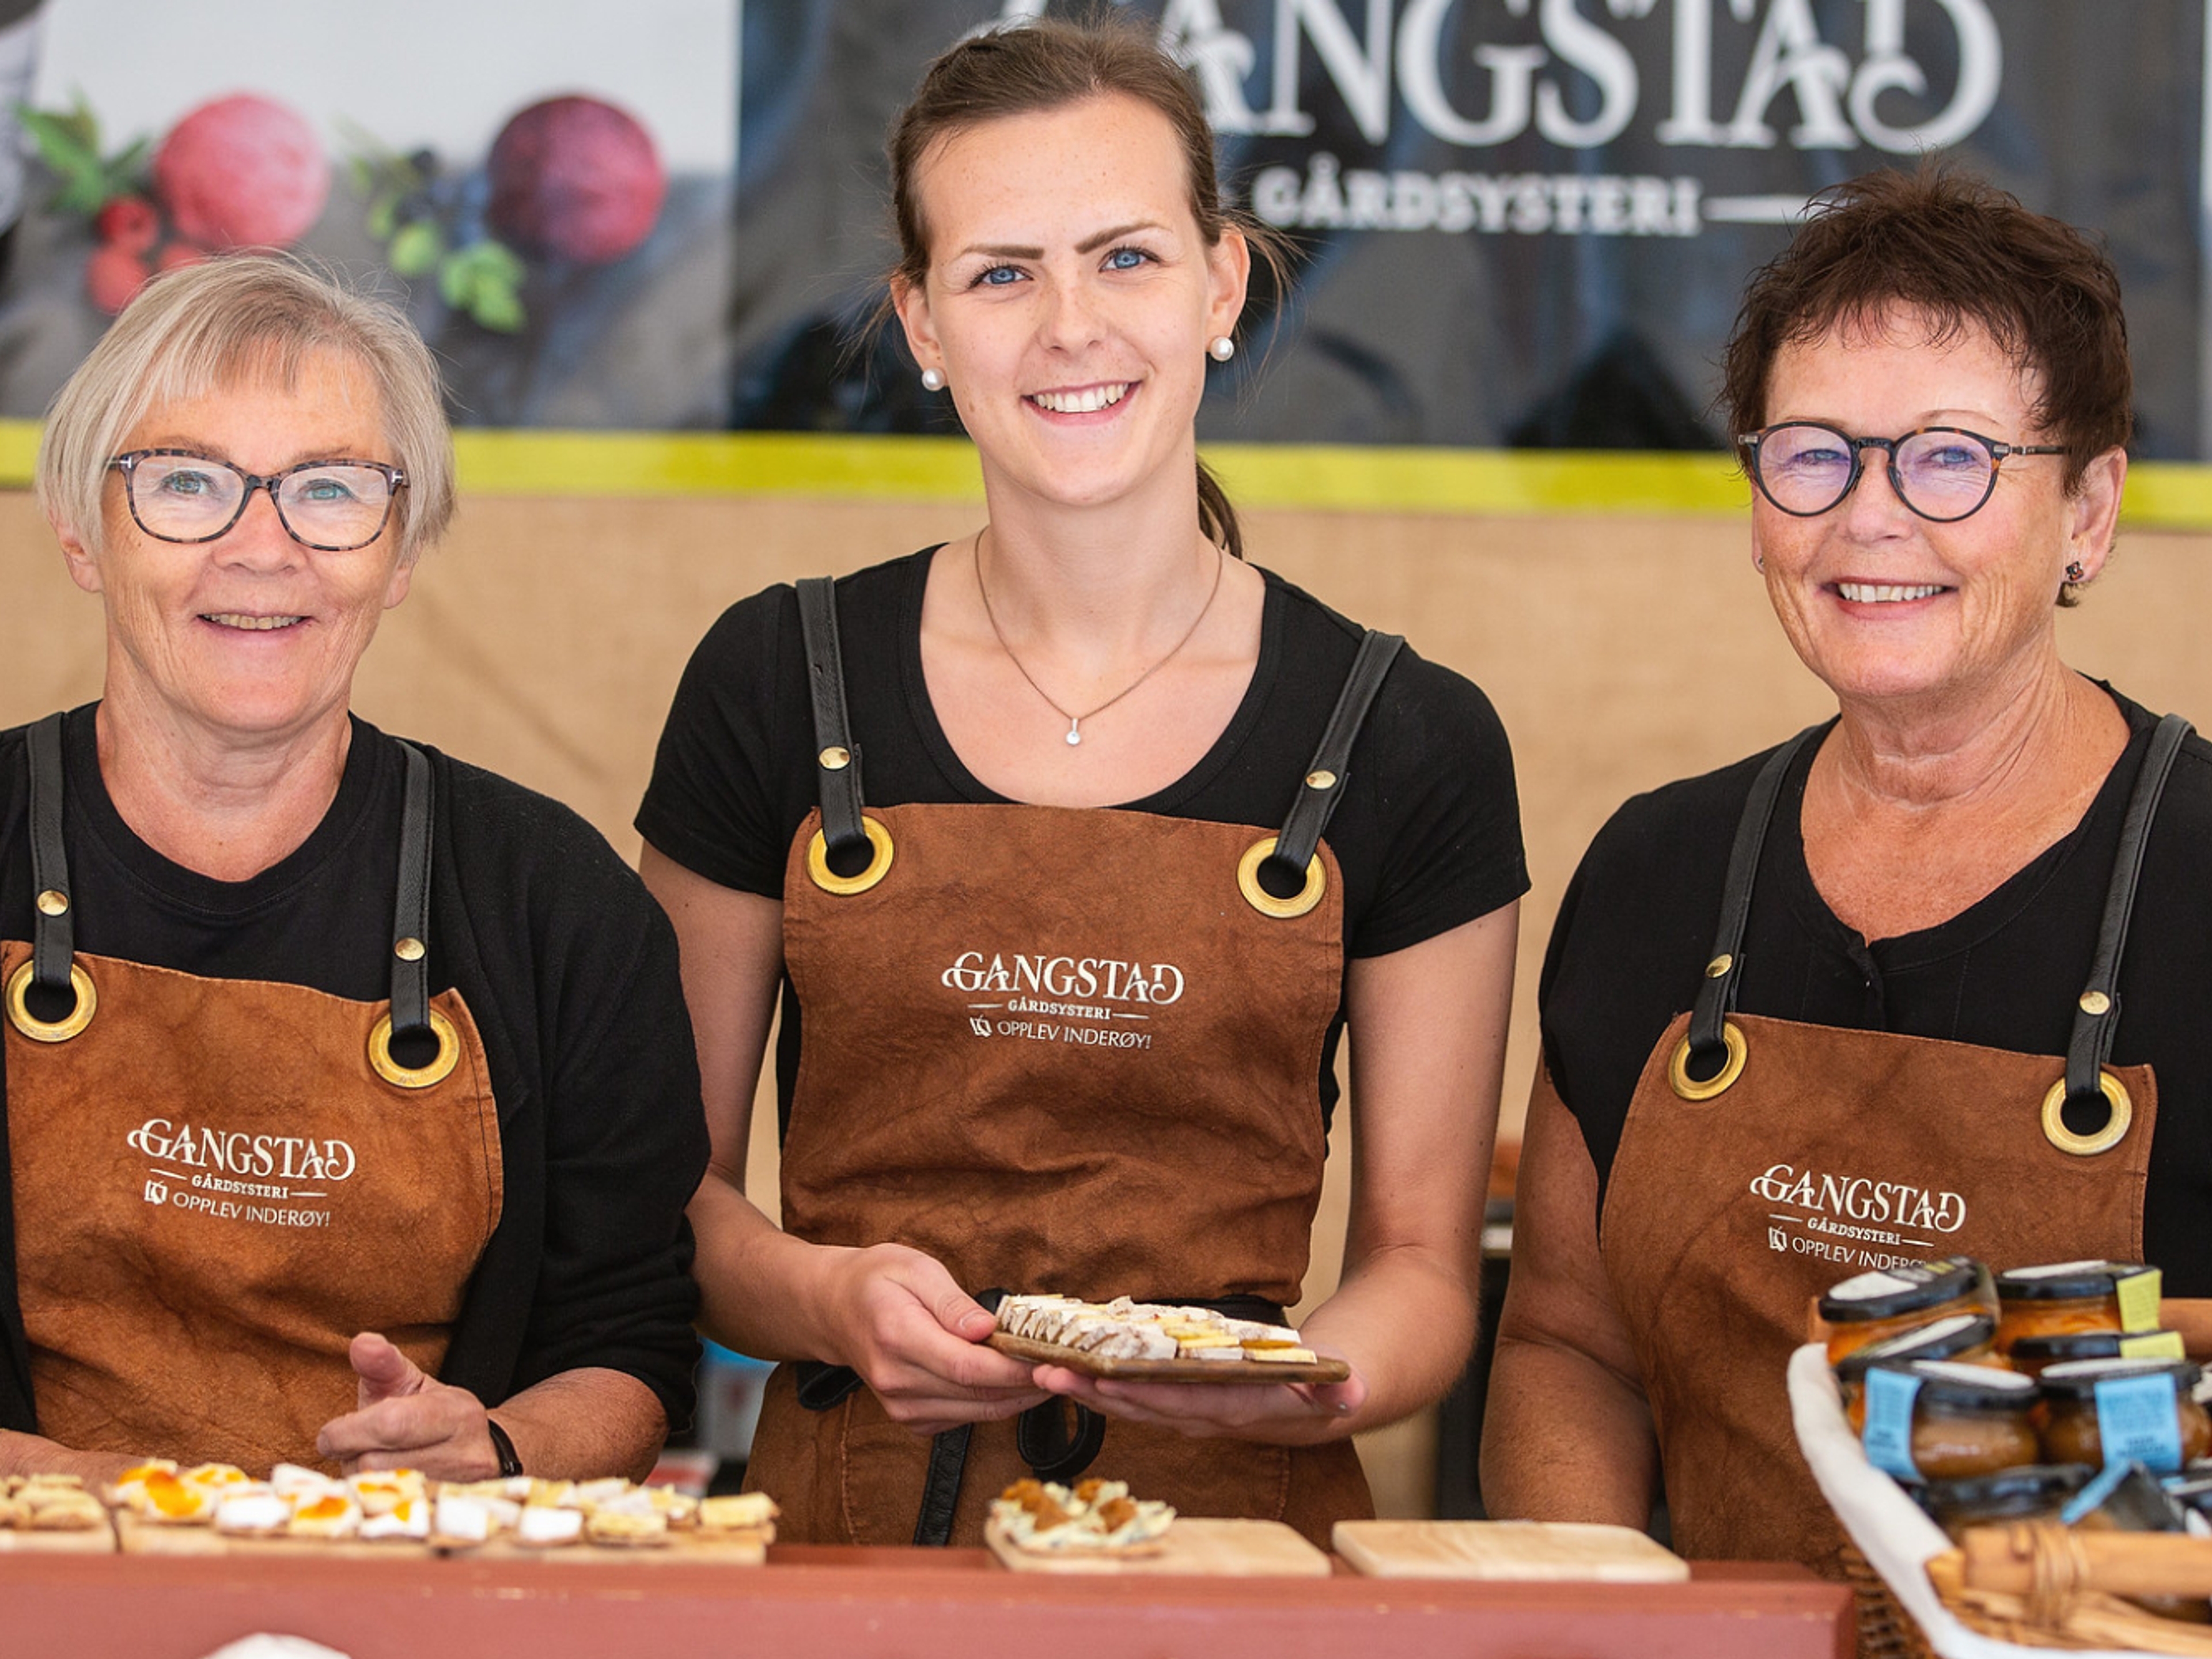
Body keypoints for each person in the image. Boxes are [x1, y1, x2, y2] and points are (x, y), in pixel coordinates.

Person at [638, 17, 1524, 1547]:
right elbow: (675, 1211)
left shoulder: (1411, 736)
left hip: (1236, 1557)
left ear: (1222, 282)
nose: (1069, 325)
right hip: (847, 1544)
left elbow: (1426, 1274)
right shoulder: (775, 681)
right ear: (920, 322)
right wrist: (831, 1297)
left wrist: (1309, 1381)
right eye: (1001, 272)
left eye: (1125, 257)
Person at [1482, 167, 2212, 1570]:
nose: (1870, 516)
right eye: (1814, 451)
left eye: (1951, 456)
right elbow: (1571, 1344)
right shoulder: (1658, 870)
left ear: (2090, 510)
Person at [0, 255, 707, 1485]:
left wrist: (494, 1447)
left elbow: (630, 1346)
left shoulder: (557, 904)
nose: (261, 547)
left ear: (403, 551)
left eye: (329, 491)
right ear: (80, 535)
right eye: (186, 482)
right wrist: (124, 1508)